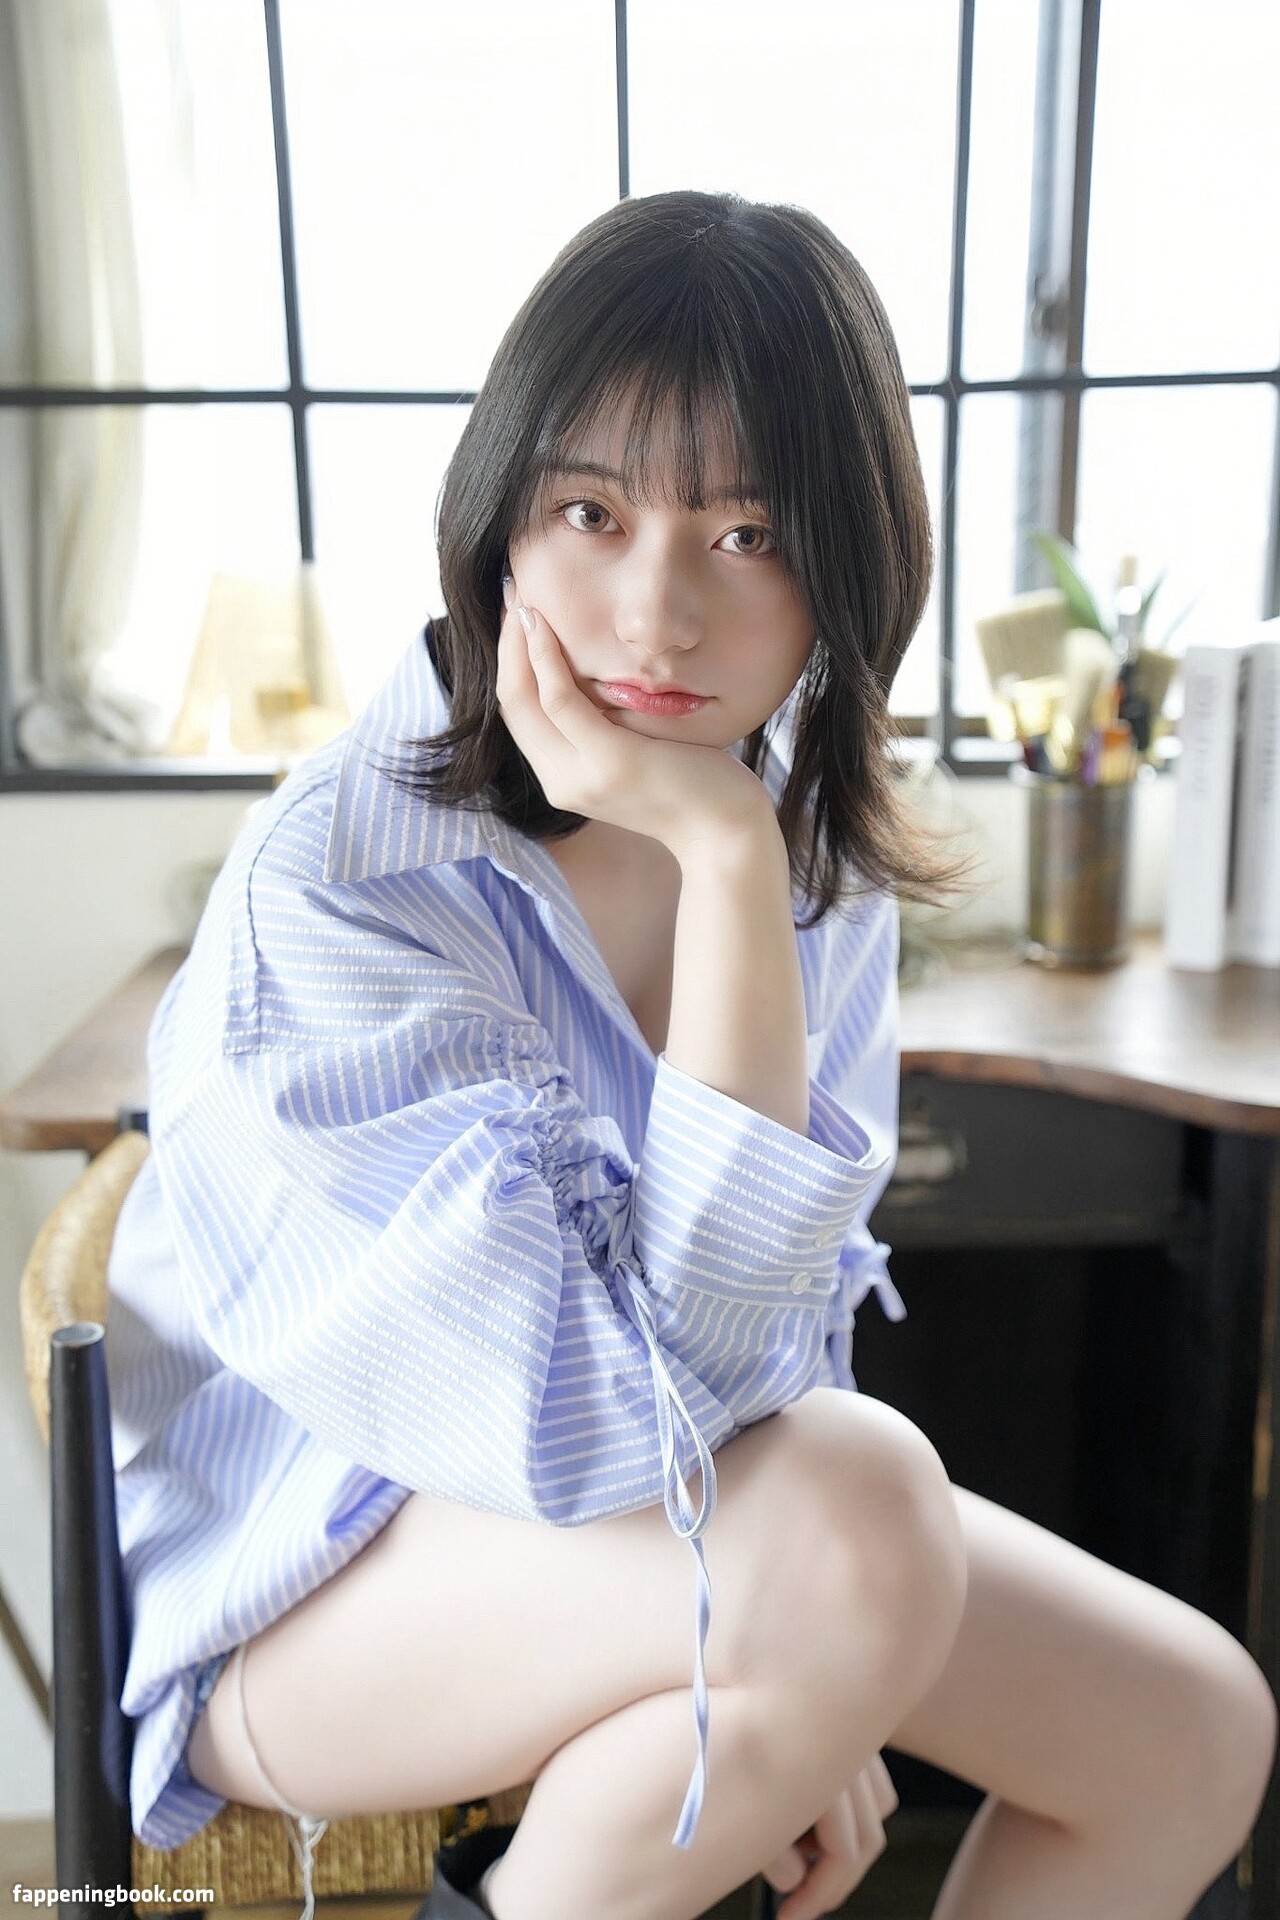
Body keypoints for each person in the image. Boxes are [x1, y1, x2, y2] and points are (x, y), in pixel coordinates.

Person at [105, 190, 1276, 1920]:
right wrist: (721, 860)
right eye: (591, 512)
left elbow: (778, 1338)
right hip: (305, 1594)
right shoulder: (339, 891)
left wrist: (825, 1655)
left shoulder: (804, 834)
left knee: (1185, 1729)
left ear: (849, 566)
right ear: (500, 526)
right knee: (860, 1514)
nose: (656, 617)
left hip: (689, 1532)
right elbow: (588, 1434)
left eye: (748, 535)